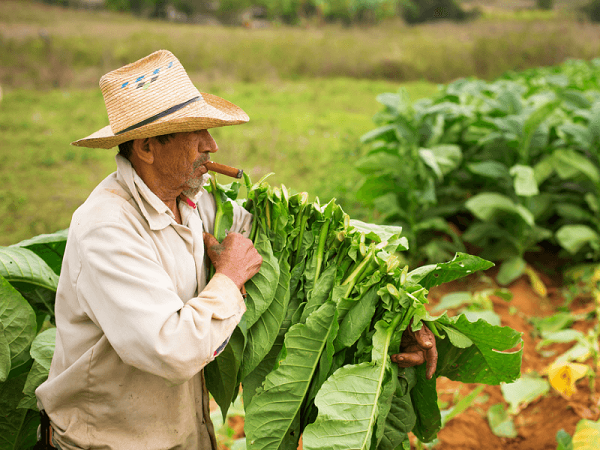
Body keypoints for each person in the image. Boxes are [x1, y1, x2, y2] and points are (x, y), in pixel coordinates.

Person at [35, 49, 436, 450]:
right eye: (197, 134)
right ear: (146, 148)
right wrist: (228, 277)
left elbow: (289, 252)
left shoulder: (198, 202)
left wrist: (397, 320)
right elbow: (170, 350)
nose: (212, 145)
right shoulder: (107, 228)